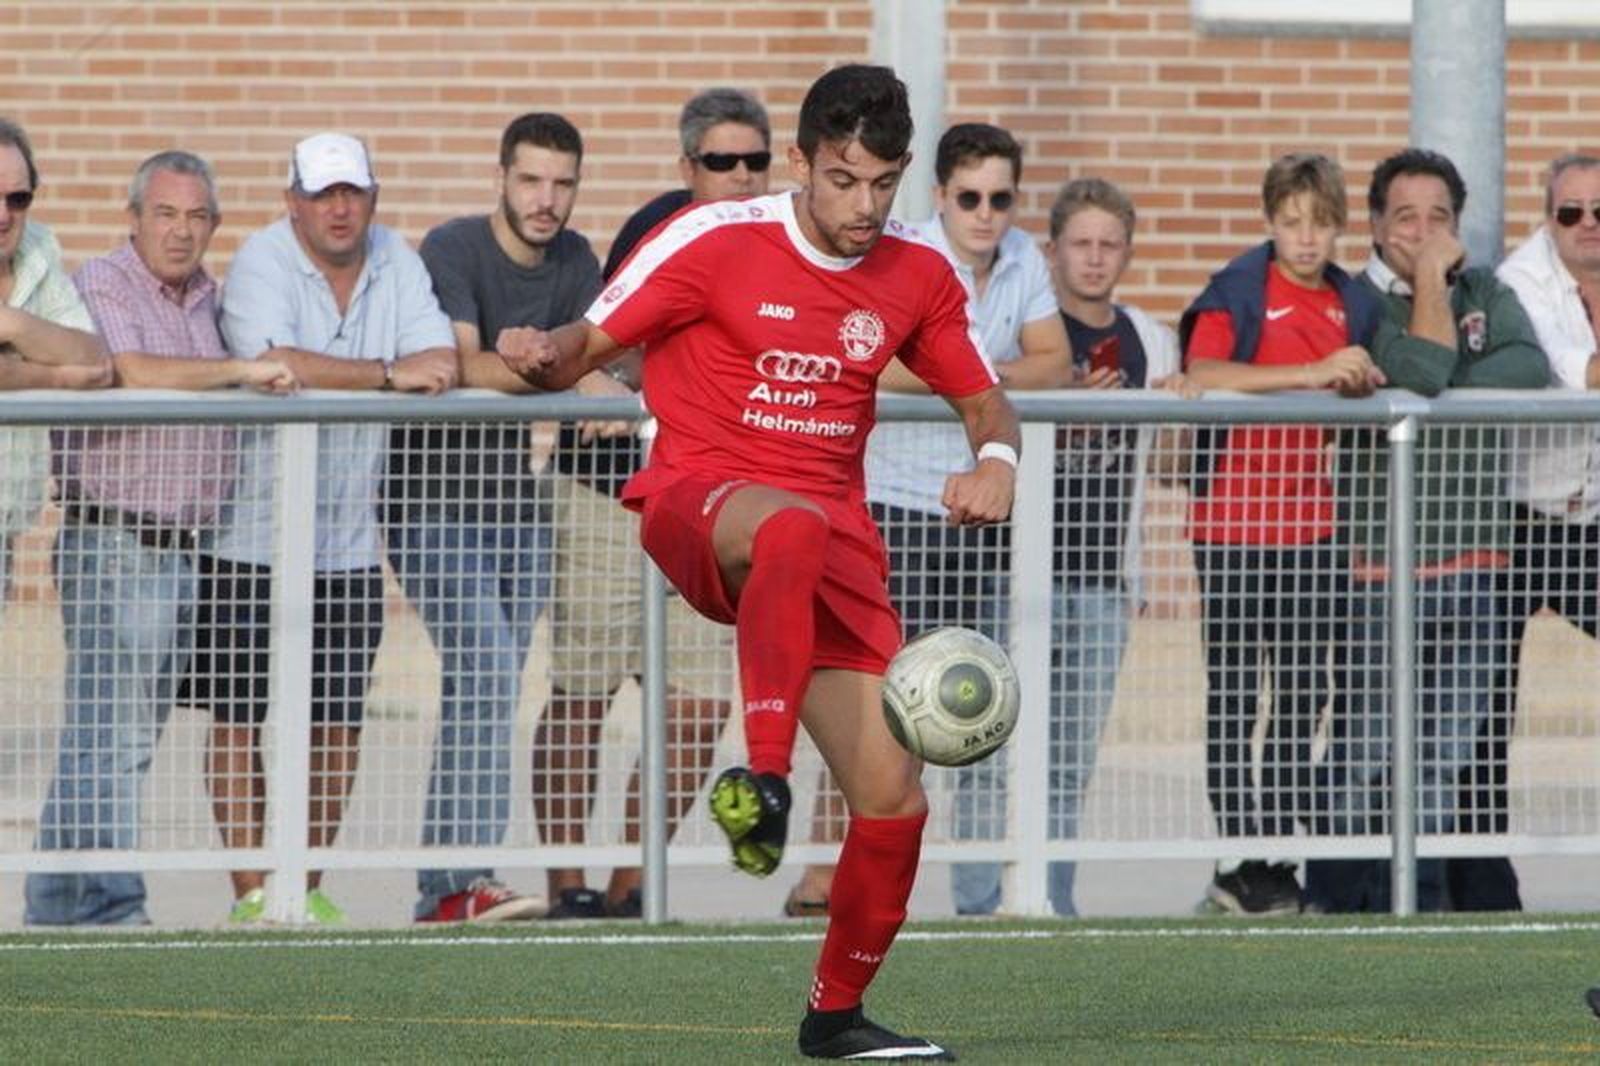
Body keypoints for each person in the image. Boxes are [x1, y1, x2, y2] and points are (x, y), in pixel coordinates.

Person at [500, 64, 1017, 1062]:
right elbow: (588, 340)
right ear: (800, 162)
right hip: (700, 505)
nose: (863, 205)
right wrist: (540, 350)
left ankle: (835, 1018)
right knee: (784, 526)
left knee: (892, 797)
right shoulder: (714, 237)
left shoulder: (916, 275)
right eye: (841, 178)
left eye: (882, 182)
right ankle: (765, 782)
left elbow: (987, 400)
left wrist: (993, 462)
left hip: (832, 542)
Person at [24, 151, 297, 926]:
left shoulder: (210, 297)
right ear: (135, 217)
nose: (182, 231)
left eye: (197, 216)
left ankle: (54, 907)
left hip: (181, 548)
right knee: (113, 740)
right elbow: (128, 367)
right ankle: (113, 907)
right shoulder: (104, 283)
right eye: (167, 214)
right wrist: (241, 371)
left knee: (109, 738)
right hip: (116, 542)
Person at [199, 132, 457, 924]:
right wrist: (386, 376)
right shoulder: (262, 258)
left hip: (347, 543)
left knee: (338, 723)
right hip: (249, 537)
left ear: (373, 196)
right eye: (322, 194)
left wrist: (400, 368)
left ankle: (303, 889)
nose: (340, 208)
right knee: (240, 715)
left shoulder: (395, 257)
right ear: (293, 201)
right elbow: (278, 362)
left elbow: (439, 358)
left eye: (353, 192)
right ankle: (252, 896)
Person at [534, 88, 761, 921]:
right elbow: (611, 336)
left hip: (716, 498)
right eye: (720, 161)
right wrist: (614, 378)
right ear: (688, 166)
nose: (739, 176)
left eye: (753, 161)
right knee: (585, 693)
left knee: (700, 705)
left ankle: (633, 886)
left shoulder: (785, 242)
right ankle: (568, 887)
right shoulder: (659, 228)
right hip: (608, 492)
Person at [1310, 149, 1548, 912]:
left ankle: (1427, 911)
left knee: (1444, 757)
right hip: (1381, 566)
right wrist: (1429, 321)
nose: (1422, 231)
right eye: (1406, 216)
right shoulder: (1351, 301)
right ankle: (1346, 907)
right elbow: (1415, 369)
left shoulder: (1486, 289)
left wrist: (1441, 369)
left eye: (1439, 217)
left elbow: (1527, 369)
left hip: (1474, 560)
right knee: (1366, 752)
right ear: (1376, 224)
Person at [385, 112, 601, 924]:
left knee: (500, 681)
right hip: (432, 504)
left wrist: (560, 364)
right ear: (501, 178)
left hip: (518, 504)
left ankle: (458, 877)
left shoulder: (576, 259)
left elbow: (606, 353)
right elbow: (462, 365)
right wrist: (561, 371)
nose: (547, 200)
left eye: (563, 183)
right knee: (482, 669)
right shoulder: (453, 247)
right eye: (531, 180)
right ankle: (453, 884)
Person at [861, 122, 1071, 917]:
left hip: (980, 507)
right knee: (882, 707)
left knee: (962, 709)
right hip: (893, 503)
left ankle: (967, 890)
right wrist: (977, 381)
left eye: (1002, 199)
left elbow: (1056, 362)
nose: (987, 215)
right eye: (970, 198)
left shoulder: (1023, 259)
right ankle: (842, 879)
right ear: (940, 196)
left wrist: (967, 375)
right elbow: (876, 362)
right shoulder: (902, 252)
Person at [1178, 152, 1384, 915]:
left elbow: (1362, 374)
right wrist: (1310, 373)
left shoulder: (1351, 302)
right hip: (1232, 524)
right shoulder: (1240, 288)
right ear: (1271, 222)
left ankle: (1278, 849)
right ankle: (1238, 856)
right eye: (1292, 222)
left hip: (1313, 526)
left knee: (1305, 691)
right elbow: (1205, 368)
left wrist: (1356, 378)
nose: (1306, 239)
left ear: (1337, 230)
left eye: (1321, 224)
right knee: (1235, 691)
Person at [1035, 176, 1198, 916]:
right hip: (1020, 576)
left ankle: (1052, 899)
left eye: (1109, 244)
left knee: (1071, 760)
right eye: (1081, 244)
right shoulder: (1028, 332)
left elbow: (1166, 470)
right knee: (997, 759)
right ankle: (984, 899)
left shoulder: (1148, 337)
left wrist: (1182, 415)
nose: (1095, 259)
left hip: (1104, 576)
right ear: (1053, 250)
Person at [1492, 153, 1600, 913]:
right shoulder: (1518, 281)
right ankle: (1480, 889)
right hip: (1517, 513)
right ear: (1548, 216)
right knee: (1484, 706)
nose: (1588, 225)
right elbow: (1569, 373)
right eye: (1571, 212)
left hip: (1591, 514)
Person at [0, 118, 109, 609]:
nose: (4, 215)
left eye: (17, 199)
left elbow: (94, 357)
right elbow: (72, 367)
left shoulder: (38, 250)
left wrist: (14, 326)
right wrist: (55, 377)